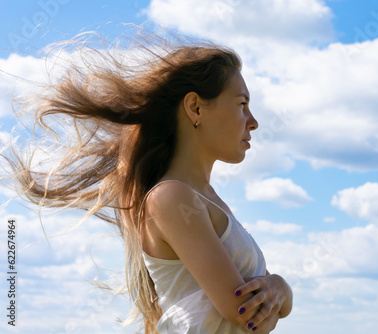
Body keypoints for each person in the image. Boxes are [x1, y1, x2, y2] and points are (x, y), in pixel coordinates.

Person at [4, 29, 292, 333]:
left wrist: (280, 286)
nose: (253, 121)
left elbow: (271, 303)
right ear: (195, 107)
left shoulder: (206, 199)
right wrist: (275, 296)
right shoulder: (172, 198)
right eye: (242, 104)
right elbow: (248, 316)